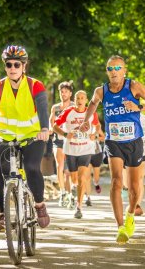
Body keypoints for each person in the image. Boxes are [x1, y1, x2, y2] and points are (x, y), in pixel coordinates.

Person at [79, 55, 145, 244]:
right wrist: (85, 122)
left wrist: (138, 106)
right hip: (113, 141)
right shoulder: (101, 91)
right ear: (107, 71)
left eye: (118, 68)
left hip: (134, 142)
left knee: (133, 188)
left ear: (125, 70)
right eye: (110, 69)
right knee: (116, 182)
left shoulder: (134, 87)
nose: (114, 72)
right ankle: (120, 227)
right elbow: (92, 103)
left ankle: (131, 213)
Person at [0, 45, 50, 231]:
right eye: (9, 64)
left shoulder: (35, 85)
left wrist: (45, 128)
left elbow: (42, 109)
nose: (13, 68)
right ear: (5, 67)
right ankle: (2, 214)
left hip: (33, 136)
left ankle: (39, 205)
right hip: (5, 136)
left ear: (24, 66)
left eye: (17, 64)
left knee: (32, 167)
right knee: (0, 168)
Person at [53, 90, 99, 219]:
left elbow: (98, 126)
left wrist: (94, 134)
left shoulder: (91, 113)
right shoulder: (68, 112)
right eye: (77, 98)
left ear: (86, 100)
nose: (79, 100)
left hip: (86, 149)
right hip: (71, 149)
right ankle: (73, 187)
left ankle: (79, 207)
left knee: (82, 178)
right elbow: (55, 126)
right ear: (75, 99)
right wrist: (66, 134)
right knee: (74, 179)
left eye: (82, 98)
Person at [49, 81, 74, 206]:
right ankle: (63, 192)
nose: (63, 94)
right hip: (58, 140)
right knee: (60, 166)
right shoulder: (56, 108)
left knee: (69, 171)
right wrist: (48, 129)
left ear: (70, 93)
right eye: (61, 92)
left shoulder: (74, 107)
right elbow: (51, 122)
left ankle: (70, 192)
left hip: (72, 141)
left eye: (65, 92)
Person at [84, 124, 105, 206]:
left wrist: (95, 138)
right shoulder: (80, 125)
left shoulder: (96, 126)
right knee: (87, 177)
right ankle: (88, 197)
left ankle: (96, 184)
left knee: (96, 178)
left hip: (97, 153)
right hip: (85, 153)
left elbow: (103, 138)